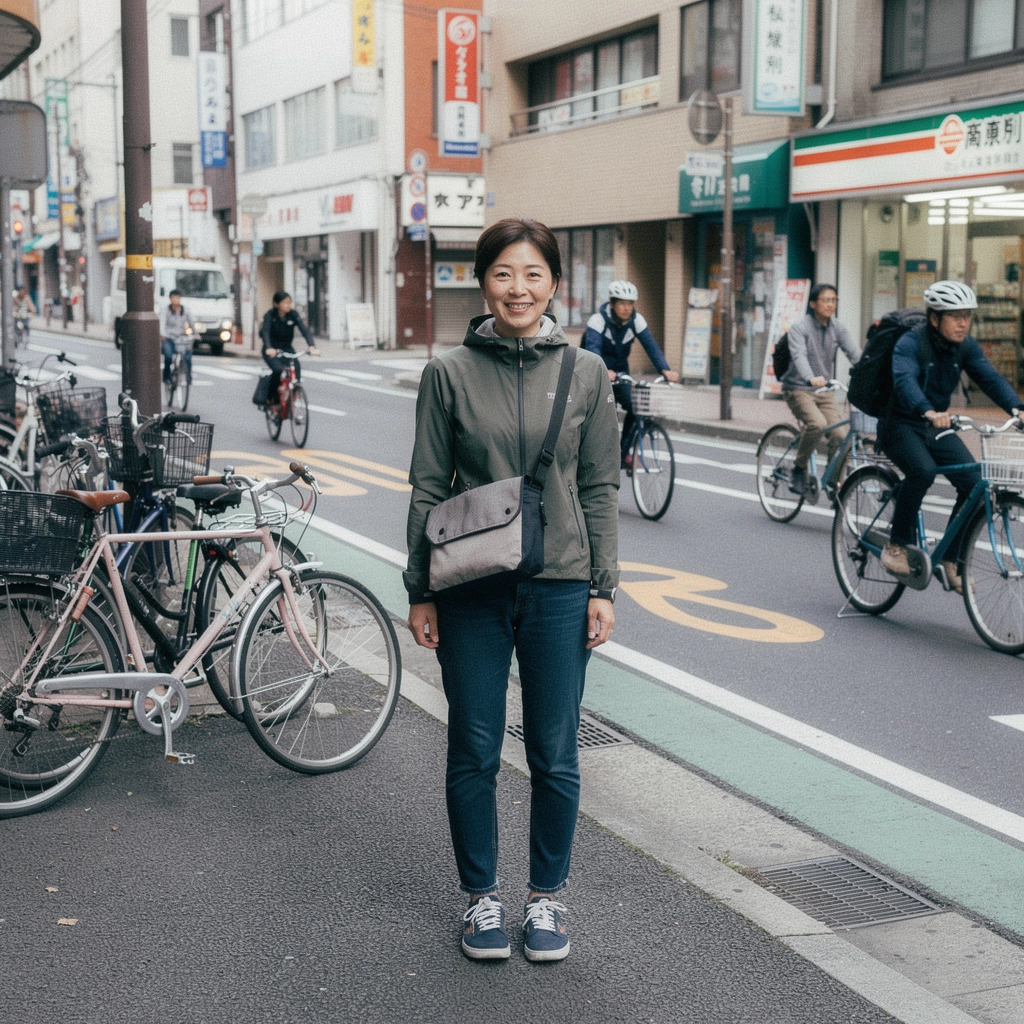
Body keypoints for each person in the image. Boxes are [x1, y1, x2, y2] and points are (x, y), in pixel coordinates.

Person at [405, 217, 619, 963]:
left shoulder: (587, 372)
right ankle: (481, 899)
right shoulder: (449, 373)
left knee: (556, 752)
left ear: (554, 284)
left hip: (561, 584)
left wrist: (603, 585)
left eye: (532, 274)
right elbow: (430, 486)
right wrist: (419, 589)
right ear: (483, 282)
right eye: (503, 273)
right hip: (471, 586)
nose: (518, 288)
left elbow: (598, 486)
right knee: (474, 747)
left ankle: (548, 900)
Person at [878, 280, 1022, 592]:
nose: (962, 323)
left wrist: (1016, 407)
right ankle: (897, 545)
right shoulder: (910, 343)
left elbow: (990, 377)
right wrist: (926, 409)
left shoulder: (965, 346)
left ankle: (951, 559)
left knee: (973, 481)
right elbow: (904, 380)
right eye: (955, 316)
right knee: (923, 470)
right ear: (934, 319)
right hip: (901, 423)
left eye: (967, 316)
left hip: (936, 426)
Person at [583, 281, 679, 468]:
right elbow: (592, 350)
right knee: (599, 414)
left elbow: (651, 346)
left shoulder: (636, 320)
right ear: (612, 303)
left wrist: (665, 369)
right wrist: (603, 369)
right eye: (622, 303)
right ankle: (590, 452)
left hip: (621, 373)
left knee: (636, 406)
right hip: (596, 373)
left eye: (630, 303)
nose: (627, 308)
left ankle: (623, 453)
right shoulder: (598, 320)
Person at [779, 283, 862, 495]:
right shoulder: (800, 327)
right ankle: (798, 469)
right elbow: (799, 355)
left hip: (824, 390)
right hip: (798, 388)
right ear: (813, 303)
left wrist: (872, 373)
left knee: (840, 435)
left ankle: (832, 479)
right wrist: (810, 377)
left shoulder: (838, 328)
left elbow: (855, 354)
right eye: (825, 300)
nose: (830, 304)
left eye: (834, 300)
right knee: (817, 424)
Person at [260, 291, 318, 400]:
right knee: (278, 370)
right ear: (277, 304)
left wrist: (311, 346)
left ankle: (295, 391)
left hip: (287, 348)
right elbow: (265, 332)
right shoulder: (270, 315)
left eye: (289, 302)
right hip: (272, 349)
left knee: (296, 366)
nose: (288, 305)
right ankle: (272, 397)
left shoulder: (293, 314)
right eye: (285, 303)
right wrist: (268, 348)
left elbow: (304, 330)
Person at [160, 289, 195, 384]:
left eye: (177, 297)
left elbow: (192, 323)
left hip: (181, 337)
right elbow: (162, 324)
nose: (175, 300)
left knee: (187, 355)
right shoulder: (165, 310)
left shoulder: (185, 310)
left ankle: (188, 376)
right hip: (169, 337)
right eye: (173, 298)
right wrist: (163, 334)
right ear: (170, 299)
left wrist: (195, 334)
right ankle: (166, 376)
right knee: (168, 356)